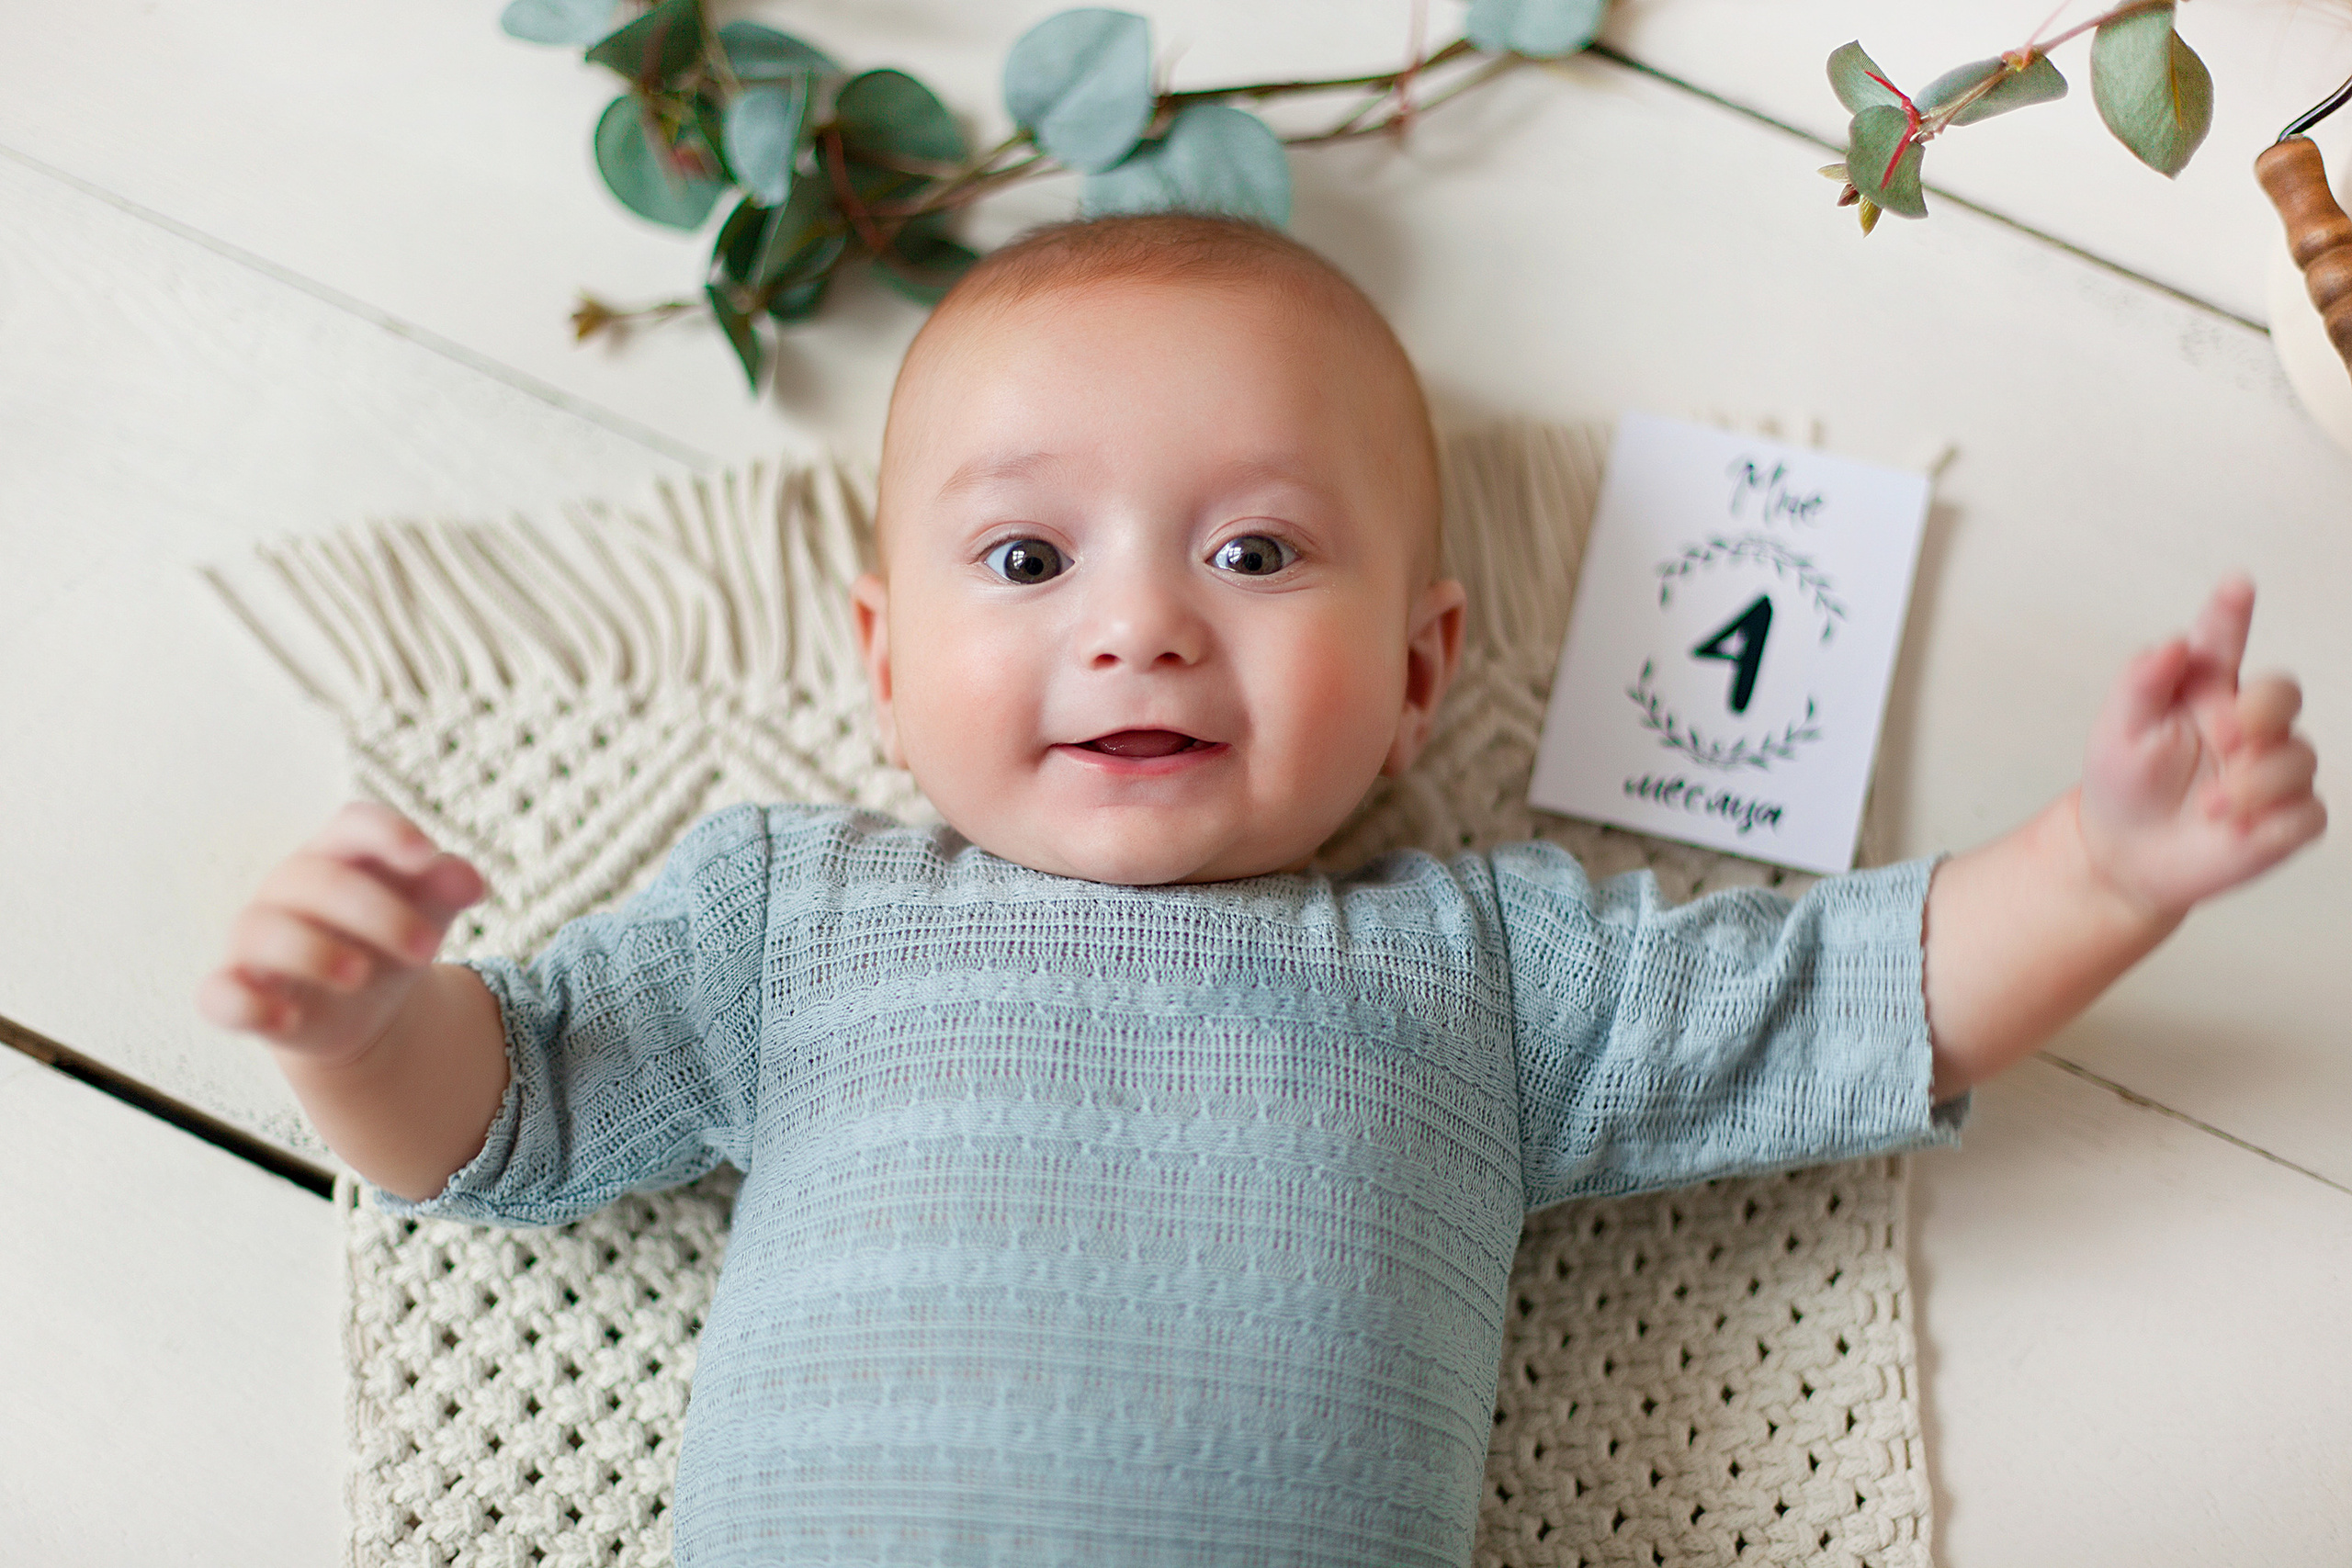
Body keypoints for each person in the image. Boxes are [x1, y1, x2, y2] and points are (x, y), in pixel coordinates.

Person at [198, 213, 2325, 1567]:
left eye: (1253, 551)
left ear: (1417, 669)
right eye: (1027, 560)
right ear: (874, 658)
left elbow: (1852, 993)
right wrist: (371, 1022)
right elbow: (506, 1121)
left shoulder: (1486, 967)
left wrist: (2101, 865)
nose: (1137, 628)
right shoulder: (793, 910)